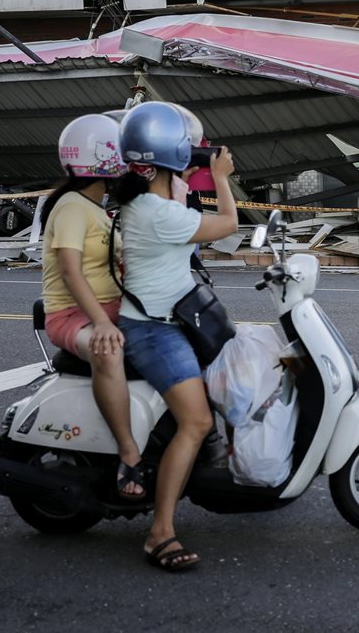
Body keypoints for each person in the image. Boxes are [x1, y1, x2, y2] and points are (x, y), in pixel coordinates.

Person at [114, 101, 238, 572]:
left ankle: (213, 464)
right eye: (190, 150)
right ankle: (159, 532)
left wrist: (188, 169)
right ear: (173, 156)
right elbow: (228, 227)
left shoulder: (152, 199)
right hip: (154, 330)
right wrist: (221, 177)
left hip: (174, 317)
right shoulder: (157, 213)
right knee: (197, 421)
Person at [40, 114, 146, 499]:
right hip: (72, 316)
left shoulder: (95, 207)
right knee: (109, 349)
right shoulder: (71, 206)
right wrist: (101, 322)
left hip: (111, 307)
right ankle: (129, 452)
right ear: (106, 160)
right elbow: (70, 271)